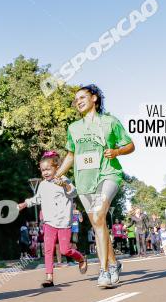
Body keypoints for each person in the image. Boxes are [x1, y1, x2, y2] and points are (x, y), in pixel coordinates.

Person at [53, 85, 134, 288]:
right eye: (76, 99)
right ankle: (114, 263)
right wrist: (57, 174)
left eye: (82, 97)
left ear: (94, 98)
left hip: (109, 174)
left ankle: (104, 271)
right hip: (84, 181)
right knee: (99, 225)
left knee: (98, 217)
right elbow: (71, 155)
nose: (78, 101)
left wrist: (117, 152)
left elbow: (130, 145)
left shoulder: (110, 121)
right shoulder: (73, 127)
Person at [17, 150, 87, 287]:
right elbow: (37, 199)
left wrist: (65, 185)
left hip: (64, 222)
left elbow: (73, 193)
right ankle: (49, 277)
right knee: (48, 250)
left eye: (48, 169)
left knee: (64, 250)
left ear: (57, 168)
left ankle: (81, 258)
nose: (45, 173)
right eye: (43, 170)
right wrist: (25, 204)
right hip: (49, 222)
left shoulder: (64, 179)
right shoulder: (43, 185)